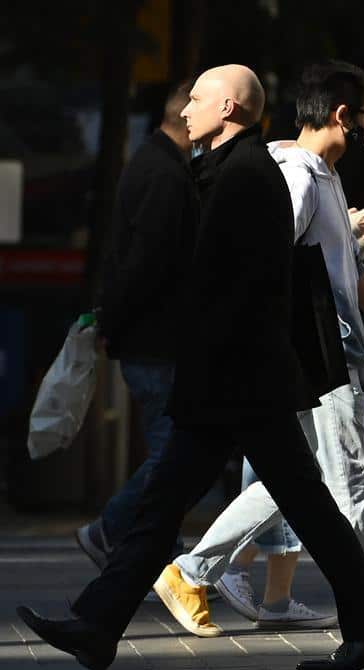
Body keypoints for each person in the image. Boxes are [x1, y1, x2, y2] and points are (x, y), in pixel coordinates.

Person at [16, 64, 364, 670]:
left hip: (239, 379)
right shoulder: (230, 171)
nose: (185, 109)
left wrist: (207, 358)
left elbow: (244, 286)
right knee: (193, 503)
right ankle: (97, 625)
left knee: (295, 505)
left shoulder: (248, 176)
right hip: (235, 378)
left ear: (228, 108)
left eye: (196, 99)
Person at [152, 61, 364, 642]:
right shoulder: (299, 178)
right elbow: (275, 268)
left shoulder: (325, 177)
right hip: (316, 355)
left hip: (328, 352)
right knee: (351, 478)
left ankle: (191, 570)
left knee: (298, 479)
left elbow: (344, 271)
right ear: (341, 115)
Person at [76, 81, 197, 568]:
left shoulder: (154, 164)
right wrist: (115, 322)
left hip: (146, 335)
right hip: (154, 339)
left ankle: (156, 547)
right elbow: (144, 263)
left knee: (172, 448)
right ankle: (113, 530)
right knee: (173, 452)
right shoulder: (164, 174)